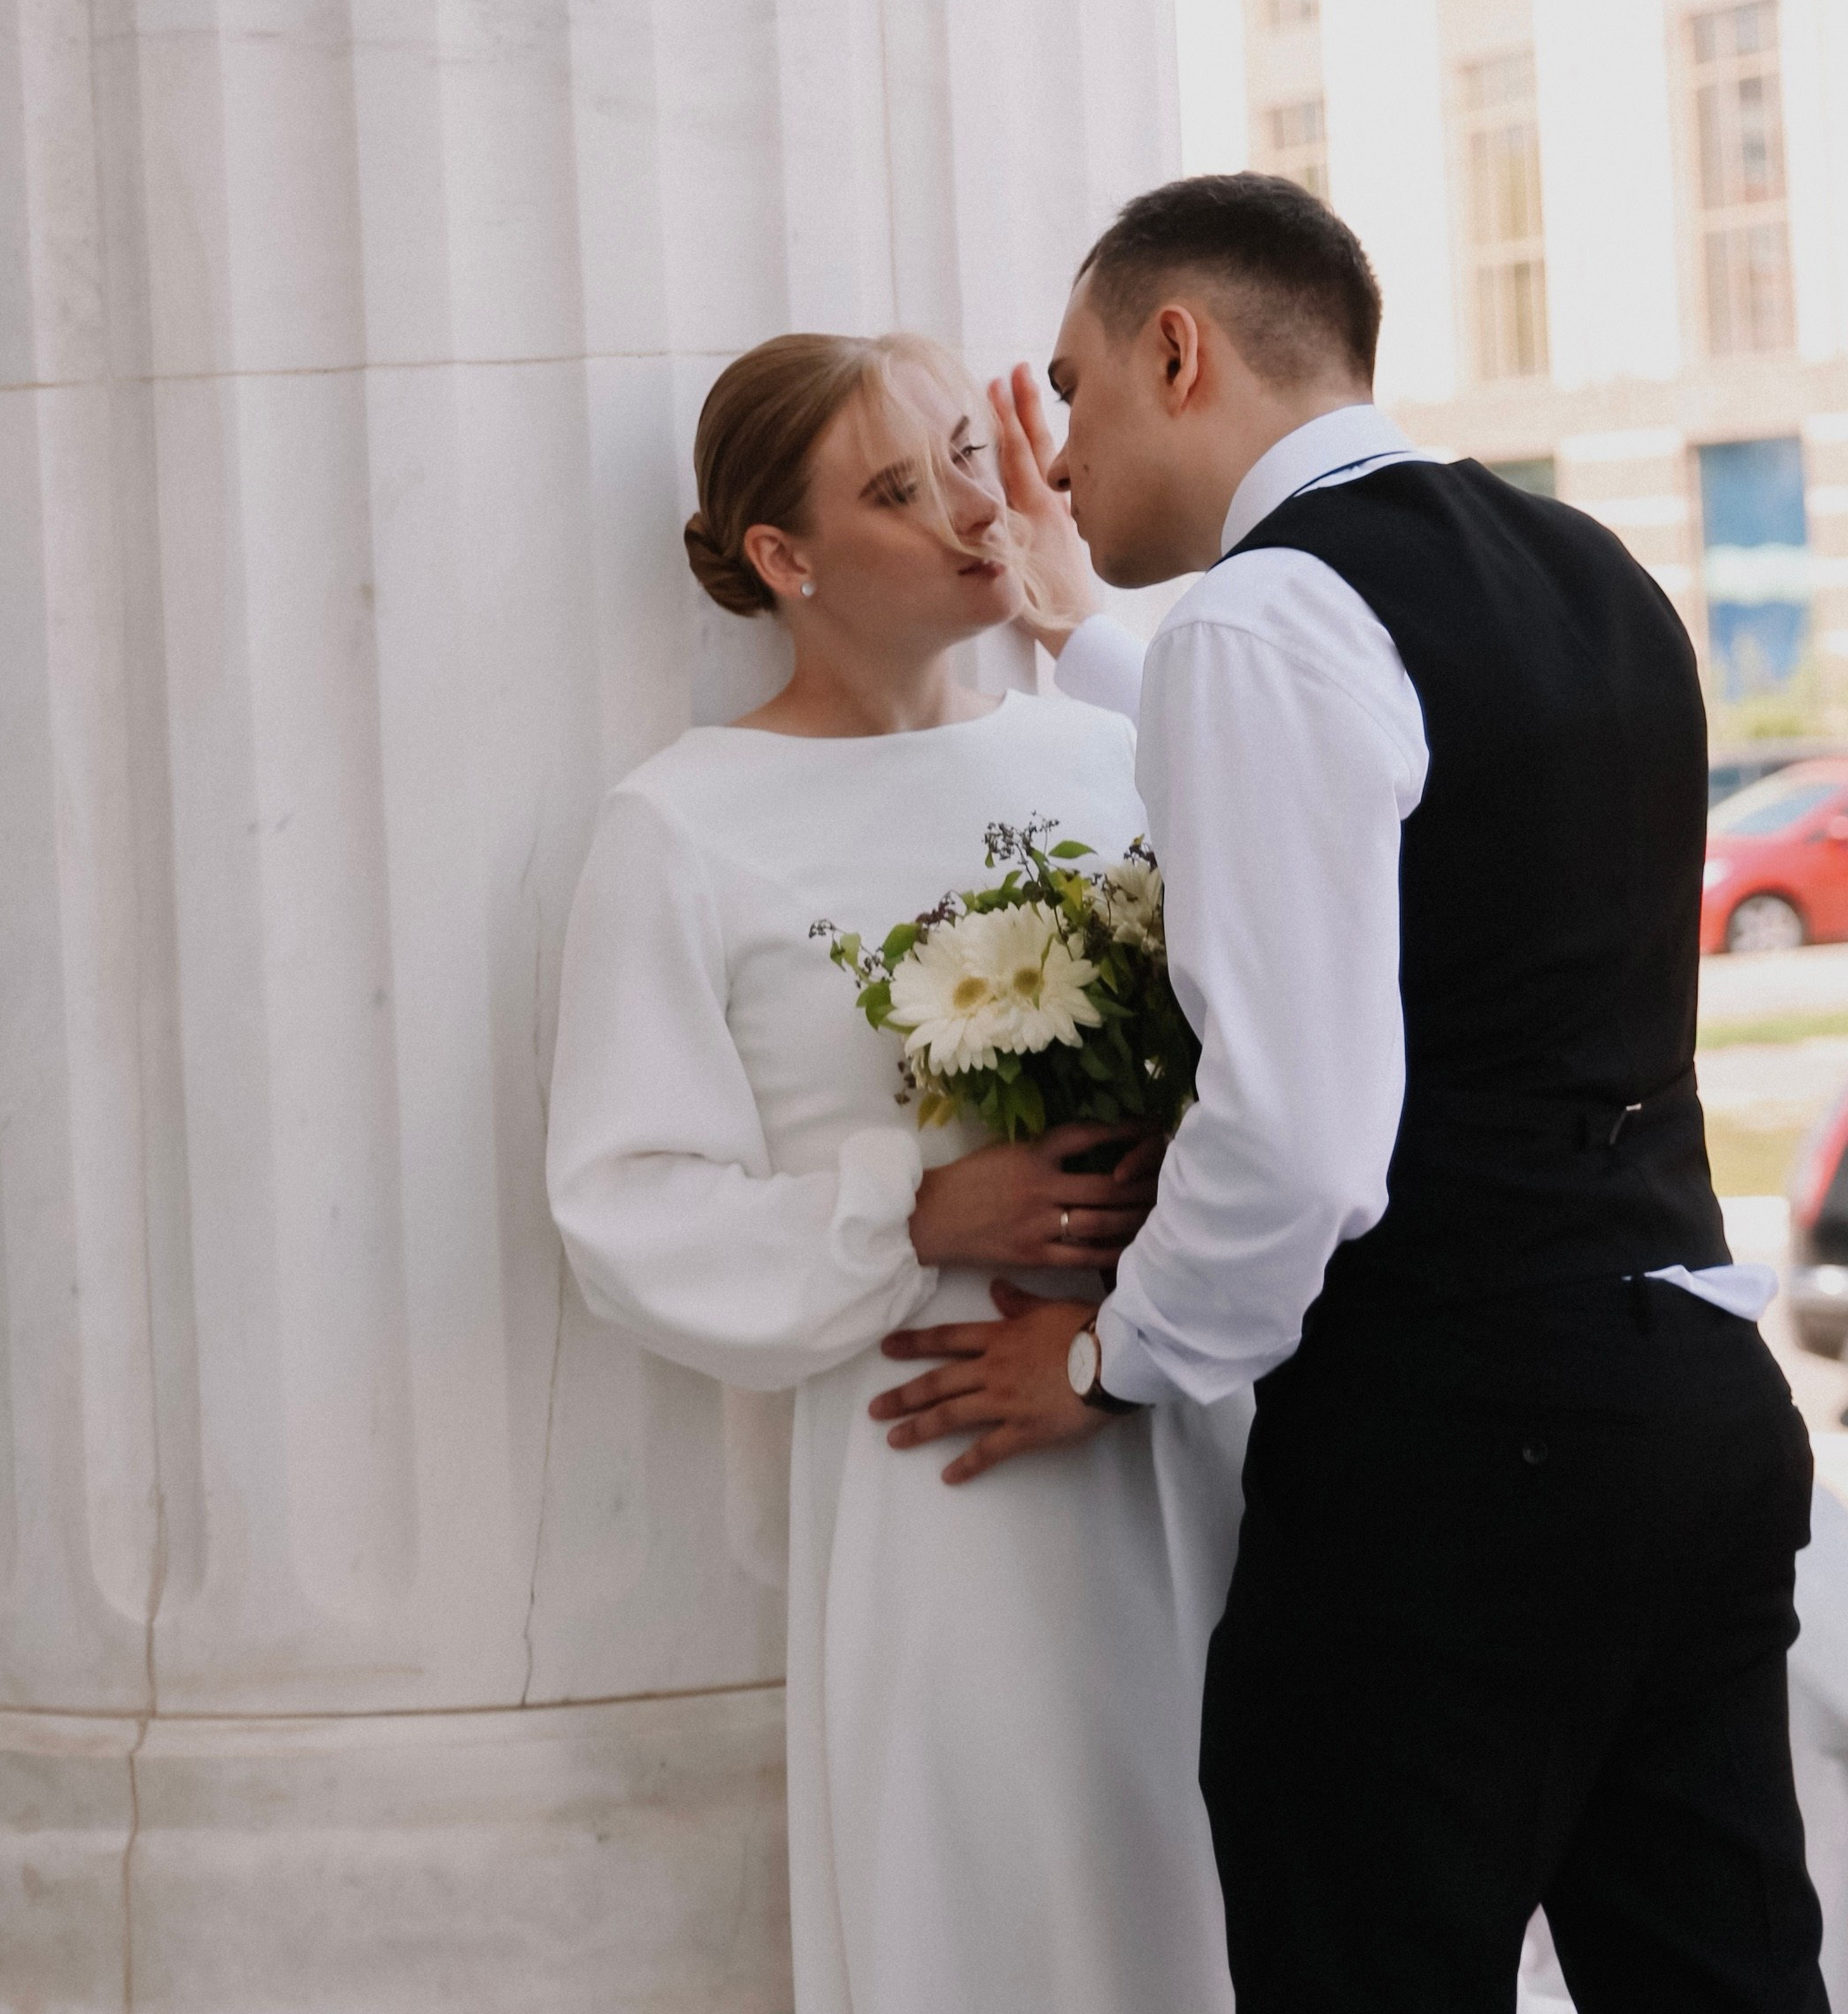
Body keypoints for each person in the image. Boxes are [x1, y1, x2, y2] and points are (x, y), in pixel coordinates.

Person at [872, 173, 1827, 2014]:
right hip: (1696, 1412)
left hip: (1456, 1465)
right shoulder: (1594, 573)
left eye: (1070, 389)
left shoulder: (1262, 623)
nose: (1053, 456)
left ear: (1179, 352)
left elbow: (1300, 1143)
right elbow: (1399, 802)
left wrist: (1112, 1358)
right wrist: (1084, 633)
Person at [545, 331, 1243, 2014]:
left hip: (1185, 1418)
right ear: (782, 558)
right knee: (1006, 1908)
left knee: (1231, 1895)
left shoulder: (1101, 752)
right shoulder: (682, 824)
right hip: (950, 1462)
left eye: (968, 456)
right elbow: (623, 1205)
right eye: (897, 489)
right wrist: (917, 1208)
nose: (971, 509)